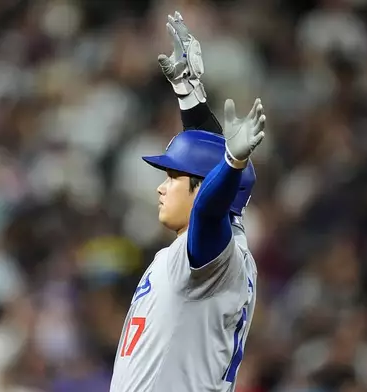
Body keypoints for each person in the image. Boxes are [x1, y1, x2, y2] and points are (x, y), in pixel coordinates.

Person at [109, 12, 266, 392]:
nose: (161, 188)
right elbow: (209, 166)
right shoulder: (223, 245)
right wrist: (188, 91)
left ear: (201, 189)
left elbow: (211, 205)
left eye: (172, 178)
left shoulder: (210, 255)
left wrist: (232, 163)